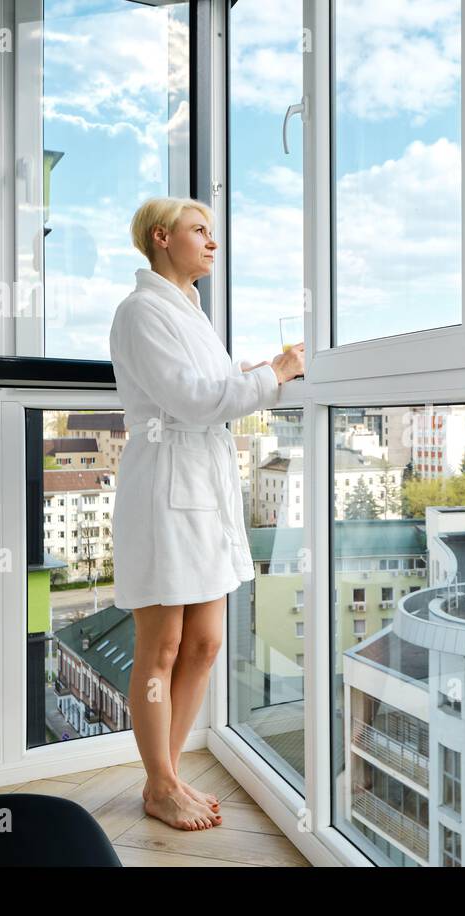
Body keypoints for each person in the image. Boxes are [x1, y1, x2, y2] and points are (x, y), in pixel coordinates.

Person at [108, 196, 305, 832]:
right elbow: (194, 400)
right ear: (162, 238)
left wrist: (252, 372)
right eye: (200, 231)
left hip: (203, 491)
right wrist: (271, 376)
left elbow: (210, 386)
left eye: (212, 232)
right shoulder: (142, 312)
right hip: (165, 491)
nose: (212, 242)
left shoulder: (189, 311)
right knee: (160, 645)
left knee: (207, 640)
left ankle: (165, 772)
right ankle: (161, 785)